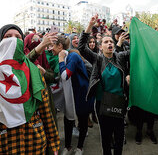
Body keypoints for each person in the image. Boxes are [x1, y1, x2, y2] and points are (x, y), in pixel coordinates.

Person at [0, 24, 60, 154]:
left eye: (18, 37)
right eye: (7, 37)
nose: (13, 40)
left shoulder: (33, 72)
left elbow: (46, 112)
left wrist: (54, 142)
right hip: (6, 144)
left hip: (33, 142)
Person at [78, 15, 130, 155]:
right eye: (106, 42)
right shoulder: (97, 59)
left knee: (119, 137)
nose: (109, 44)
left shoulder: (119, 57)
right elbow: (81, 47)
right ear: (101, 47)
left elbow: (136, 53)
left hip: (119, 103)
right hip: (102, 104)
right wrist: (90, 25)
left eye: (111, 42)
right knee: (106, 137)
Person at [52, 35, 94, 155]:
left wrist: (60, 59)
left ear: (60, 46)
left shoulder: (73, 56)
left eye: (53, 46)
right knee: (68, 121)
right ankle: (68, 146)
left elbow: (65, 76)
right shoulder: (65, 55)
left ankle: (80, 147)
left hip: (81, 94)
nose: (51, 49)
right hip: (70, 94)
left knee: (82, 120)